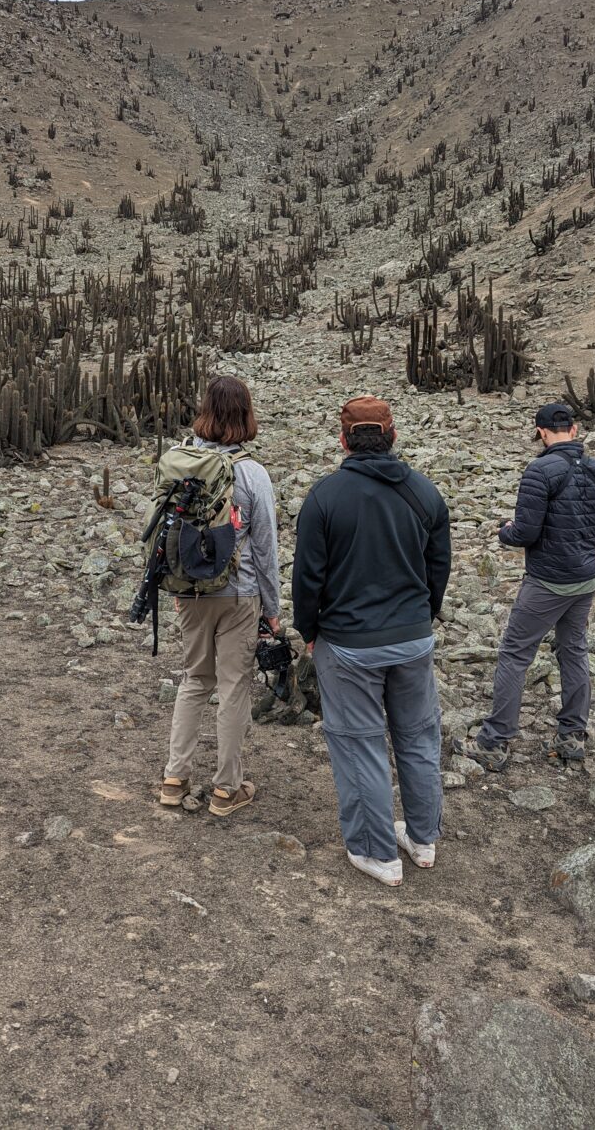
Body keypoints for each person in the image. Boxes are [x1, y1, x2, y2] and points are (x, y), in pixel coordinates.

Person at [292, 395, 451, 887]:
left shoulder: (324, 497)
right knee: (419, 737)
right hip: (411, 637)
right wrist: (423, 618)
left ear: (343, 440)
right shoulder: (425, 494)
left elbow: (307, 579)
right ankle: (422, 839)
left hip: (348, 644)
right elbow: (438, 567)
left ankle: (376, 851)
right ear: (392, 435)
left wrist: (310, 631)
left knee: (360, 743)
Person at [460, 402, 595, 773]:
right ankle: (572, 736)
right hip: (585, 579)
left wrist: (504, 530)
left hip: (548, 580)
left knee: (515, 653)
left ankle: (494, 742)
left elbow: (526, 533)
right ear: (574, 430)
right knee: (574, 650)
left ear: (541, 432)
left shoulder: (539, 470)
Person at [160, 376, 281, 816]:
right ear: (246, 413)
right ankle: (227, 788)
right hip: (239, 595)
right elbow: (266, 546)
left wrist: (174, 580)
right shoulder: (252, 472)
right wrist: (273, 610)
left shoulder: (180, 461)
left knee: (194, 681)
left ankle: (175, 778)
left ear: (204, 411)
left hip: (190, 592)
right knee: (233, 688)